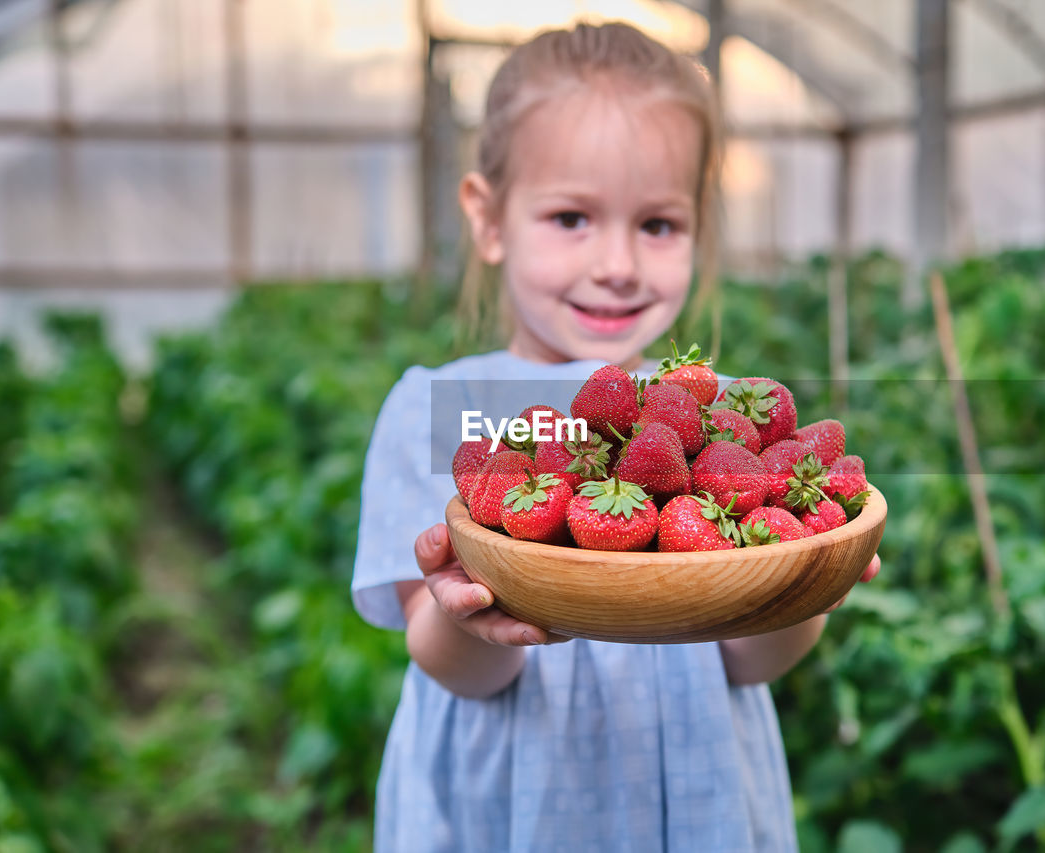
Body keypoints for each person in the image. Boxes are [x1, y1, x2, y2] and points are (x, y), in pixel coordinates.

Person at [351, 21, 880, 852]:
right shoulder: (441, 407)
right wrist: (468, 611)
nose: (619, 263)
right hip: (509, 794)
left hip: (692, 785)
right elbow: (453, 661)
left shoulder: (718, 418)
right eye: (571, 217)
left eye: (658, 225)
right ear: (488, 220)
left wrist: (797, 584)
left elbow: (750, 660)